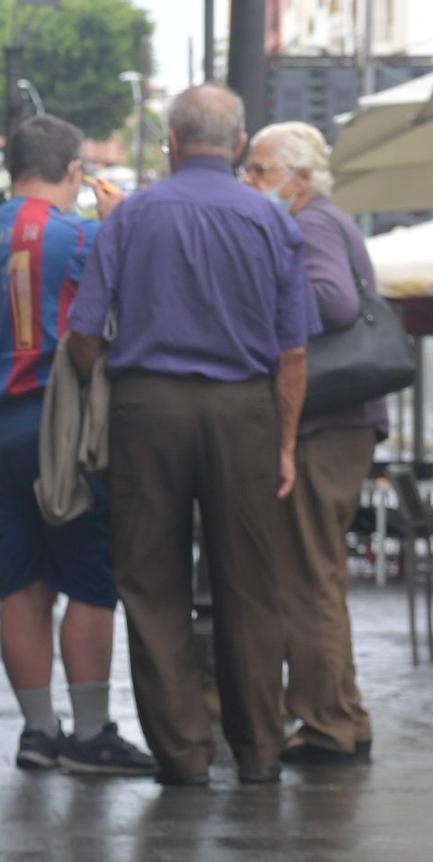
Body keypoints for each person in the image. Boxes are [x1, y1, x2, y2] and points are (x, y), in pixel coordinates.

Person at [68, 85, 318, 787]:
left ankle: (182, 754)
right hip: (245, 412)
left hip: (149, 411)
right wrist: (287, 442)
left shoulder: (132, 216)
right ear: (238, 145)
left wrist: (99, 383)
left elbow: (84, 333)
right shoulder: (272, 223)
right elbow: (293, 352)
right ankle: (261, 750)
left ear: (172, 143)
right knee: (250, 586)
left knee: (151, 583)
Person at [0, 114, 157, 777]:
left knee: (21, 585)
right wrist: (123, 221)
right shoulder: (81, 236)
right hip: (62, 425)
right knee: (91, 578)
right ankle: (91, 733)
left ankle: (38, 733)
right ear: (73, 172)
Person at [243, 122, 384, 766]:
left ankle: (327, 723)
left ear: (300, 179)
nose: (250, 181)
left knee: (309, 575)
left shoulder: (313, 224)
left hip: (327, 423)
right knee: (319, 569)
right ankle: (343, 712)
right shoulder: (328, 219)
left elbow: (331, 303)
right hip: (344, 422)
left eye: (261, 171)